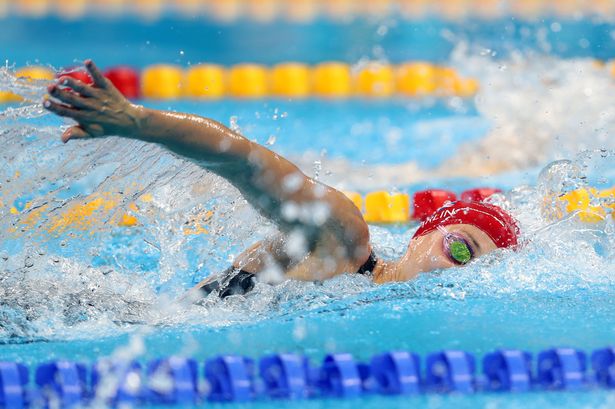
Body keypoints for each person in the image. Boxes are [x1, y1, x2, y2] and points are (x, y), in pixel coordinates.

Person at [44, 60, 520, 300]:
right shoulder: (344, 240)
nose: (459, 272)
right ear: (423, 236)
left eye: (479, 271)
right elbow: (243, 160)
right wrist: (139, 121)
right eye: (462, 250)